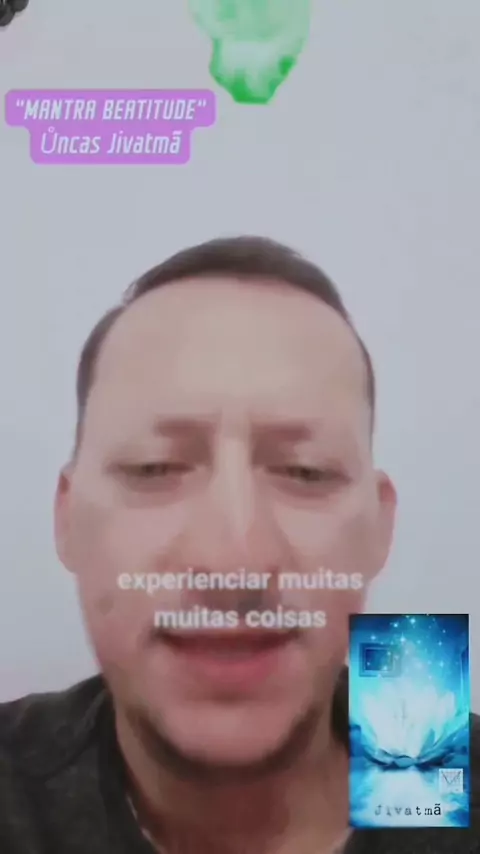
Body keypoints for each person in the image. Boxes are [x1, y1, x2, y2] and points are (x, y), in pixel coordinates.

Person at [0, 236, 477, 853]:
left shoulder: (435, 755)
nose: (234, 561)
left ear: (379, 530)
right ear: (67, 519)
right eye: (153, 467)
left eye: (306, 471)